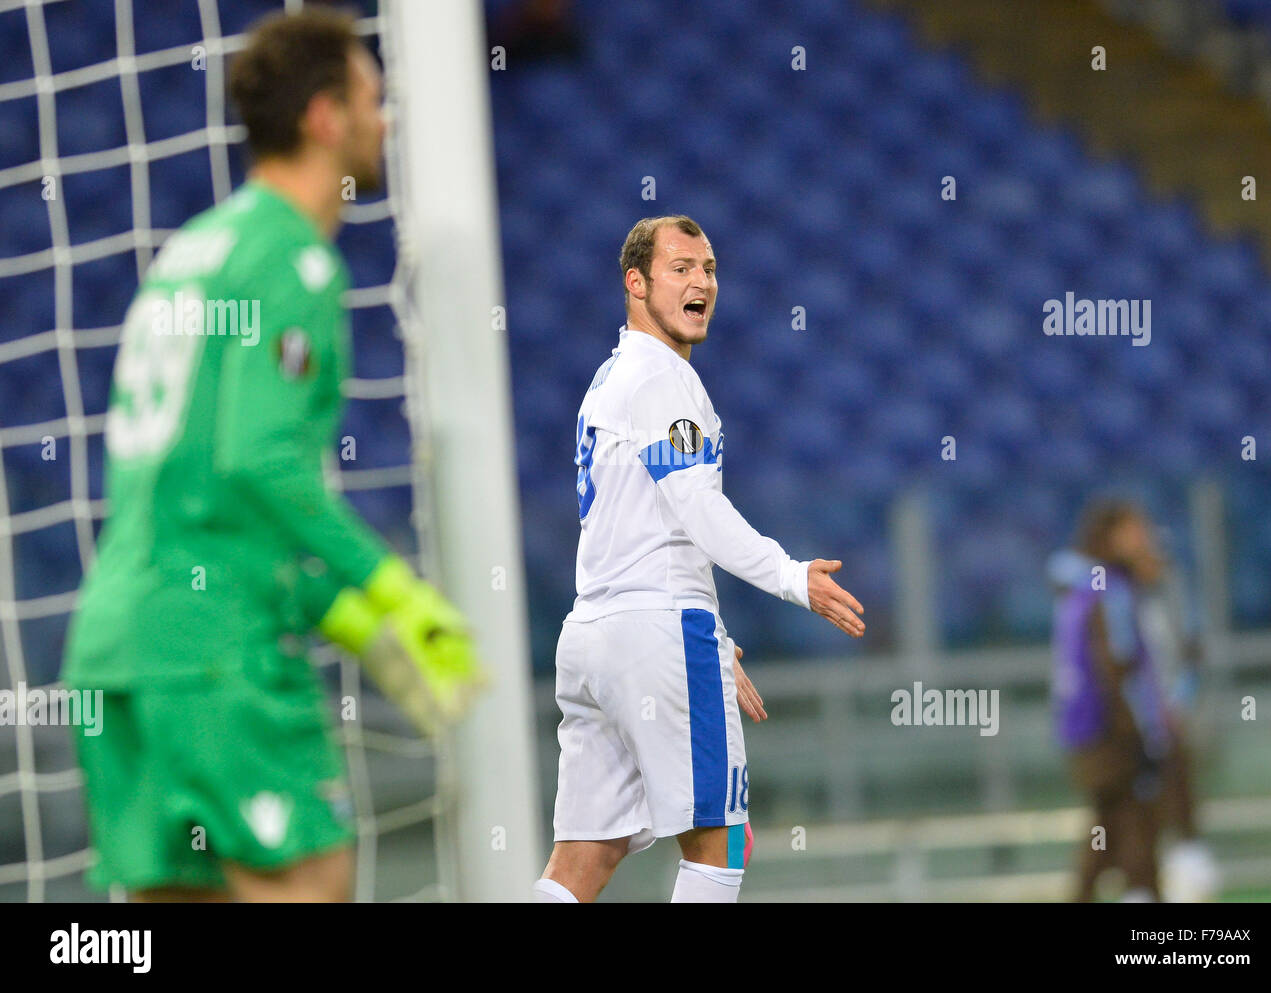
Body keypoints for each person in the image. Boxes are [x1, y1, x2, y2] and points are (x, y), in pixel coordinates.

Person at [62, 7, 481, 902]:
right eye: (374, 96)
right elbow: (258, 463)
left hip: (117, 646)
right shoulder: (291, 264)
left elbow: (200, 485)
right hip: (213, 655)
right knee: (311, 879)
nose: (389, 118)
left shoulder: (193, 252)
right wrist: (393, 589)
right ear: (325, 117)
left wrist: (347, 617)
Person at [534, 215, 866, 903]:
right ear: (636, 282)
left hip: (593, 634)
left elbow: (641, 528)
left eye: (709, 269)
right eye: (681, 267)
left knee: (580, 863)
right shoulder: (661, 380)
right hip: (655, 630)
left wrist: (707, 636)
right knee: (721, 841)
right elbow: (696, 509)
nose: (702, 282)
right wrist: (788, 576)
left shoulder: (610, 378)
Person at [1051, 498, 1171, 901]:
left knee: (1111, 826)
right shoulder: (1108, 591)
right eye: (1135, 530)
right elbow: (1116, 665)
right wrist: (1139, 733)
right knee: (1134, 819)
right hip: (1109, 728)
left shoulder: (1083, 587)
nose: (1144, 539)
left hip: (1087, 728)